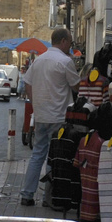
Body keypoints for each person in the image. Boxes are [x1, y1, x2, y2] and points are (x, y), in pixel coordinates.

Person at [19, 28, 80, 206]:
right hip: (59, 116)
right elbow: (76, 87)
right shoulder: (65, 61)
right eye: (69, 41)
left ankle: (27, 195)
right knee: (55, 157)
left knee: (37, 154)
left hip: (41, 115)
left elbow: (27, 83)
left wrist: (35, 102)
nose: (70, 45)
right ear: (62, 41)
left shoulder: (39, 61)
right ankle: (50, 197)